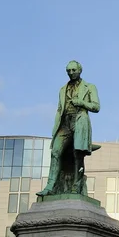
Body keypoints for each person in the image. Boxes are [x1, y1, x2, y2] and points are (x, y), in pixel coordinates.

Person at [37, 60, 100, 196]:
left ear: (79, 70)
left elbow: (96, 106)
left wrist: (81, 103)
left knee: (78, 155)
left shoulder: (89, 87)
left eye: (73, 70)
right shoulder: (62, 89)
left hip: (79, 121)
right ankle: (50, 186)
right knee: (55, 152)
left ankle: (76, 187)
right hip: (64, 124)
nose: (71, 73)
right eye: (68, 71)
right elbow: (60, 109)